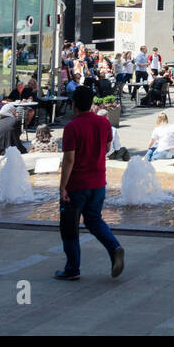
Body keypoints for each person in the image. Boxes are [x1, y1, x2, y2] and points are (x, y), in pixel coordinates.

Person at [54, 86, 124, 281]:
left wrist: (62, 187)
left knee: (69, 227)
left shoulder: (71, 127)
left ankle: (72, 268)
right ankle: (115, 247)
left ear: (74, 104)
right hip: (98, 182)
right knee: (94, 220)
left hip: (77, 184)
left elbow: (69, 159)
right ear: (91, 103)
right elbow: (108, 147)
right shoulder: (103, 123)